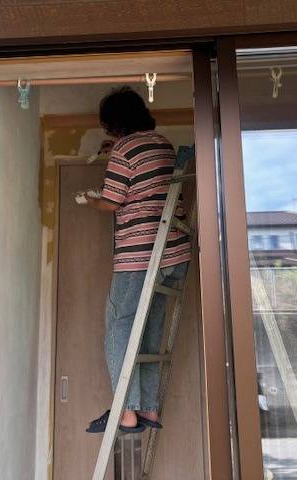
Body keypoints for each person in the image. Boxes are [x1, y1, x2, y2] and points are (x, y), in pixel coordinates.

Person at [80, 86, 192, 434]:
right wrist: (117, 150)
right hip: (174, 253)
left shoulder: (124, 149)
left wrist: (91, 200)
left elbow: (112, 202)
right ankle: (148, 410)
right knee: (150, 329)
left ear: (114, 123)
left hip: (140, 256)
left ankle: (126, 412)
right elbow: (144, 177)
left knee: (119, 326)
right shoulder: (163, 143)